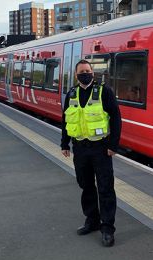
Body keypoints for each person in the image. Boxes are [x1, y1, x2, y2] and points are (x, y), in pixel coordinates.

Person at [61, 59, 121, 247]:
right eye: (81, 71)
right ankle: (92, 221)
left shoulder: (104, 92)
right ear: (76, 74)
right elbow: (65, 120)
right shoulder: (71, 94)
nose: (85, 73)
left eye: (88, 70)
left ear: (92, 73)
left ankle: (107, 229)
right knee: (85, 185)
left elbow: (116, 118)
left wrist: (113, 145)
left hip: (101, 149)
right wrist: (64, 144)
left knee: (105, 188)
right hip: (80, 148)